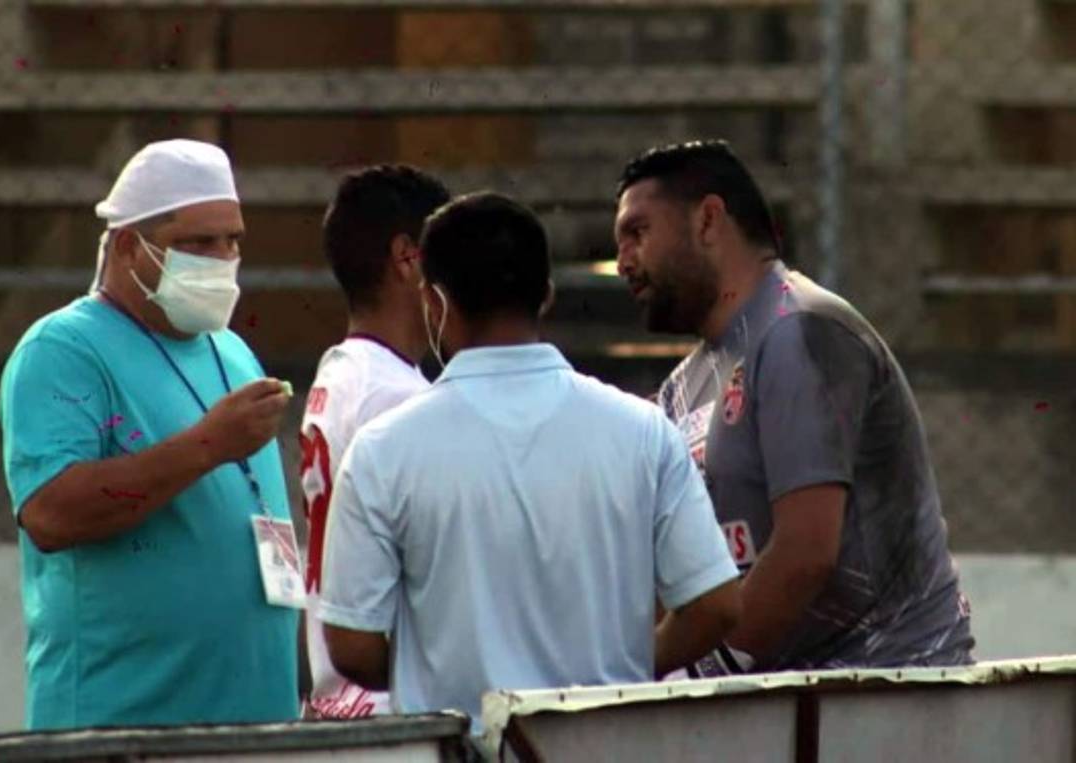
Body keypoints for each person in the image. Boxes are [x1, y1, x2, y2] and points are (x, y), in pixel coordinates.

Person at [317, 192, 742, 726]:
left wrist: (434, 669)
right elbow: (716, 605)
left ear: (434, 302)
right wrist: (625, 671)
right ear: (546, 296)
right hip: (603, 742)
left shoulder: (383, 450)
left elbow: (351, 645)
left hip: (461, 748)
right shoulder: (643, 432)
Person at [614, 140, 974, 676]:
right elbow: (680, 582)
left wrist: (665, 675)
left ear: (708, 220)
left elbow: (805, 554)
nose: (623, 262)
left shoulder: (798, 327)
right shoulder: (682, 387)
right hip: (789, 698)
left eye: (638, 232)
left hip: (890, 688)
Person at [0, 139, 301, 729]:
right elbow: (51, 514)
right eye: (198, 243)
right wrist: (209, 444)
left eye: (232, 240)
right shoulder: (63, 349)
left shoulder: (232, 351)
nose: (222, 258)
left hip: (256, 725)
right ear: (128, 246)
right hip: (123, 725)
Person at [298, 165, 450, 719]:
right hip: (389, 701)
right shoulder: (396, 394)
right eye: (448, 255)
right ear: (409, 258)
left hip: (340, 696)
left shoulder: (342, 370)